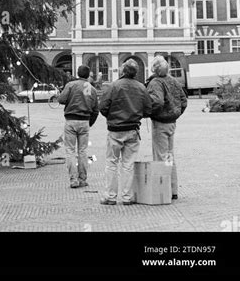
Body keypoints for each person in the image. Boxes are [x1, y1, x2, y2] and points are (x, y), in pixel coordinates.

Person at [99, 58, 152, 205]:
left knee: (111, 163)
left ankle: (110, 196)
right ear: (136, 73)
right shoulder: (141, 88)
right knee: (128, 164)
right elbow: (148, 109)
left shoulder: (113, 86)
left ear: (123, 71)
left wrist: (111, 116)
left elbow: (103, 106)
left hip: (115, 129)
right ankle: (127, 197)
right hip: (133, 129)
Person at [145, 55, 188, 200]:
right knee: (170, 156)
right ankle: (173, 189)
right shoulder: (173, 81)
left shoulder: (156, 82)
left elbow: (156, 102)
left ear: (154, 68)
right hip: (172, 122)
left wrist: (148, 112)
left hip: (161, 123)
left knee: (160, 156)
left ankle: (163, 190)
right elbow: (183, 100)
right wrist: (176, 114)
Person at [58, 65, 99, 188]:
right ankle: (82, 179)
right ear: (88, 75)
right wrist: (89, 123)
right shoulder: (92, 89)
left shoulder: (71, 85)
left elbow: (61, 99)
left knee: (70, 151)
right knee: (83, 151)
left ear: (77, 73)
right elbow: (96, 110)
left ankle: (73, 180)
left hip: (71, 120)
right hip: (85, 121)